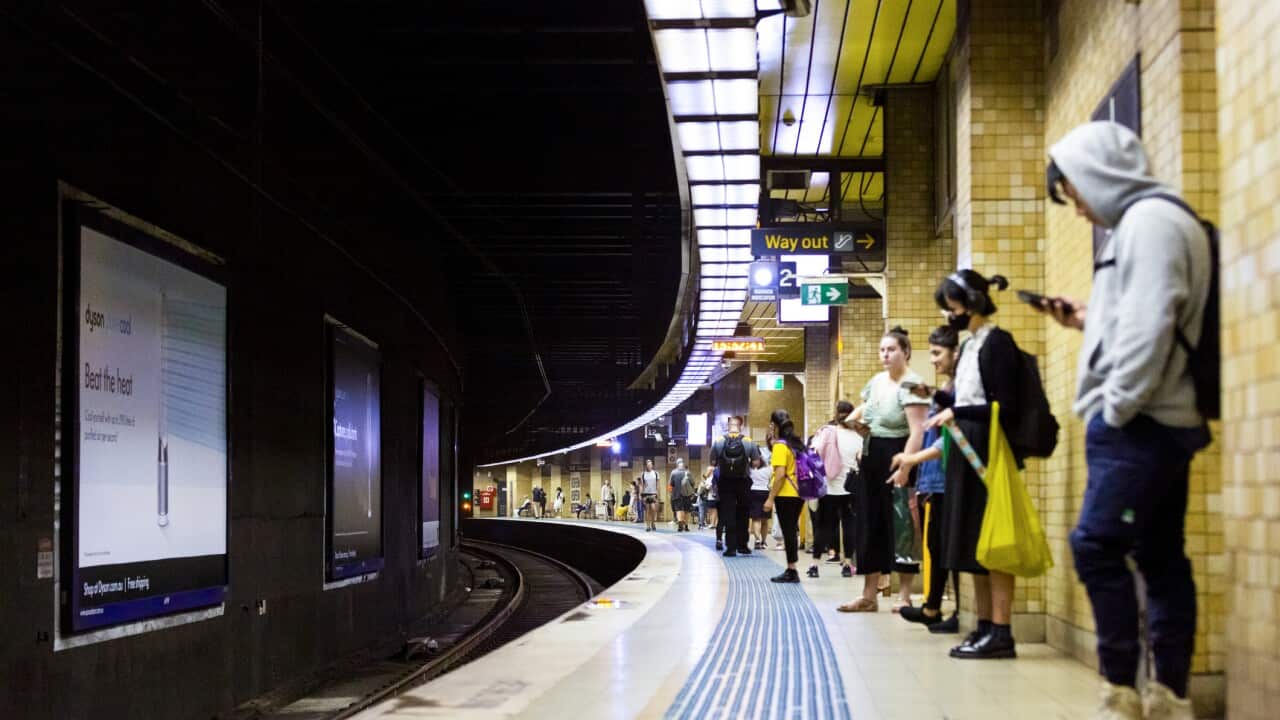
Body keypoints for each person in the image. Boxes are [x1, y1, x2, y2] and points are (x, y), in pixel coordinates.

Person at [1041, 121, 1212, 719]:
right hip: (1152, 419)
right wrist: (1090, 322)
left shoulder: (1150, 223)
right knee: (1161, 554)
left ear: (1097, 176)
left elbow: (1151, 328)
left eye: (1076, 193)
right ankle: (1167, 694)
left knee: (1096, 543)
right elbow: (1137, 320)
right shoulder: (1148, 223)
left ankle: (1122, 690)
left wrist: (1116, 405)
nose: (1080, 209)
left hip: (1141, 425)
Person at [923, 269, 1025, 660]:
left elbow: (1006, 405)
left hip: (988, 450)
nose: (951, 316)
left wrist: (959, 412)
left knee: (994, 541)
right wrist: (944, 406)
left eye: (954, 308)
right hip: (964, 449)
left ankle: (1002, 629)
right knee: (971, 542)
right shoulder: (968, 346)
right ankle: (983, 625)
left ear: (974, 303)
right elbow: (965, 398)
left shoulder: (999, 343)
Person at [838, 327, 929, 612]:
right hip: (872, 454)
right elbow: (866, 408)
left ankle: (904, 595)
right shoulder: (877, 381)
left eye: (891, 350)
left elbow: (917, 431)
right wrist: (855, 422)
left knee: (901, 525)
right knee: (869, 523)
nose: (885, 355)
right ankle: (869, 594)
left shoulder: (914, 384)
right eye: (882, 350)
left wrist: (905, 465)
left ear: (906, 352)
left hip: (899, 454)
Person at [892, 325, 963, 634]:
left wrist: (911, 459)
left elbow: (949, 439)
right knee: (936, 545)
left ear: (955, 353)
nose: (932, 360)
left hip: (948, 479)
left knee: (950, 546)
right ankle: (933, 607)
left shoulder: (964, 389)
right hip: (933, 482)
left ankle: (953, 609)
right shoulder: (949, 387)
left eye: (937, 353)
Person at [807, 401, 858, 579]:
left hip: (829, 488)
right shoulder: (858, 437)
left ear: (836, 413)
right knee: (849, 526)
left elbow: (813, 454)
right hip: (850, 489)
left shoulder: (827, 432)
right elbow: (861, 461)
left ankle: (815, 565)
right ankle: (848, 564)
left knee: (824, 527)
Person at [762, 409, 806, 583]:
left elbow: (780, 475)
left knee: (788, 532)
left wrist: (770, 498)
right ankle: (791, 568)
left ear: (775, 425)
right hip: (799, 493)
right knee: (790, 531)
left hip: (785, 493)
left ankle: (791, 569)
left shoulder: (781, 446)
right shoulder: (796, 444)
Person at [711, 415, 760, 557]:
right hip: (743, 482)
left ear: (728, 425)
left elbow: (713, 462)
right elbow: (756, 463)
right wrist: (749, 464)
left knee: (728, 513)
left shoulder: (719, 441)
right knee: (743, 513)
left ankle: (731, 548)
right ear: (741, 425)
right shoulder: (748, 441)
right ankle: (743, 546)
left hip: (725, 482)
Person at [748, 455, 773, 550]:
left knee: (756, 518)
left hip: (753, 492)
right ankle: (763, 541)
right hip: (766, 492)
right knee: (765, 519)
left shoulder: (750, 469)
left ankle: (757, 540)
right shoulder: (769, 468)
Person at [668, 458, 695, 532]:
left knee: (679, 509)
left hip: (677, 494)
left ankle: (680, 524)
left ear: (677, 464)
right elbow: (693, 483)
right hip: (687, 495)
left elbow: (670, 485)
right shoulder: (687, 472)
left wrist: (670, 494)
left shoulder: (673, 473)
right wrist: (691, 492)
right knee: (686, 510)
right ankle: (686, 526)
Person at [699, 467, 720, 545]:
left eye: (708, 470)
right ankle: (712, 523)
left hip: (713, 496)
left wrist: (705, 485)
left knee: (714, 510)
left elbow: (708, 487)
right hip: (709, 496)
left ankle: (713, 523)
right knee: (711, 511)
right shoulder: (708, 478)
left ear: (711, 471)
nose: (706, 471)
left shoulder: (712, 478)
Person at [640, 459, 660, 532]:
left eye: (651, 464)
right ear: (646, 466)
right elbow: (642, 485)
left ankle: (653, 523)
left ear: (652, 465)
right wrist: (641, 494)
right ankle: (648, 526)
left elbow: (658, 484)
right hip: (646, 494)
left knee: (653, 509)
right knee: (647, 510)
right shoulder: (643, 474)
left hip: (653, 493)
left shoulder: (655, 473)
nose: (649, 466)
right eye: (648, 465)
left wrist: (658, 493)